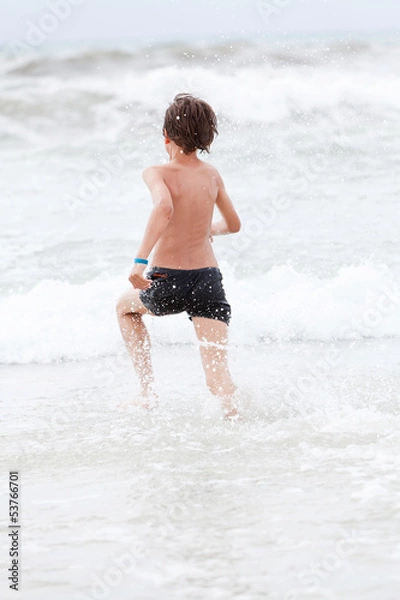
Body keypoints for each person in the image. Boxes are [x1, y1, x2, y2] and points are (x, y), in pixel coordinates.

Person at [116, 93, 241, 419]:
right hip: (208, 281)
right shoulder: (212, 174)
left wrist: (140, 261)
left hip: (170, 279)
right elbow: (234, 224)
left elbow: (164, 207)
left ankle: (147, 393)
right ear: (204, 138)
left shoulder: (157, 172)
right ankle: (235, 420)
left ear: (166, 136)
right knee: (217, 376)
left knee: (125, 308)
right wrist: (206, 230)